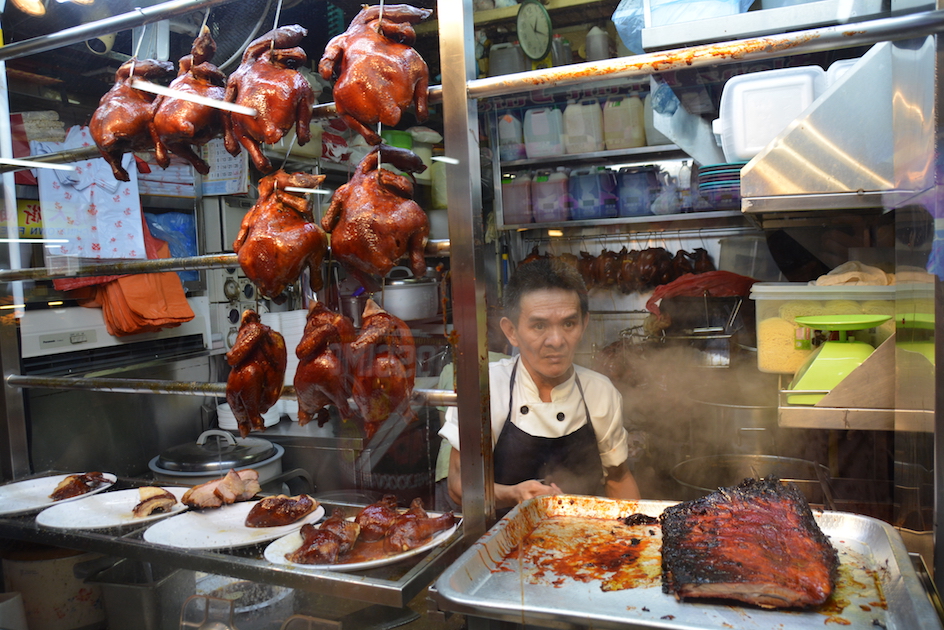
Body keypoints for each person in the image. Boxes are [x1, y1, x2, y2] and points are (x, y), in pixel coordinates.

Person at [438, 258, 640, 510]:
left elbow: (619, 479)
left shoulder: (600, 391)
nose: (556, 340)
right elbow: (458, 483)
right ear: (511, 332)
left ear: (584, 324)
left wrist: (638, 537)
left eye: (568, 323)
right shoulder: (487, 387)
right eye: (539, 325)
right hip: (501, 543)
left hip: (582, 539)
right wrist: (513, 494)